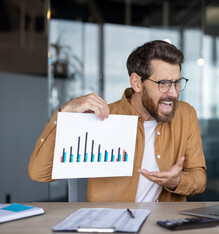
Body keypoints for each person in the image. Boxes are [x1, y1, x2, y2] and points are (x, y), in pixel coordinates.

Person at [28, 40, 207, 202]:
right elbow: (39, 173)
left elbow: (199, 179)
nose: (174, 93)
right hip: (110, 228)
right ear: (136, 83)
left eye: (177, 82)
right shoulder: (101, 118)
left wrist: (178, 181)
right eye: (164, 83)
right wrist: (66, 112)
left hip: (164, 228)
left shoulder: (185, 114)